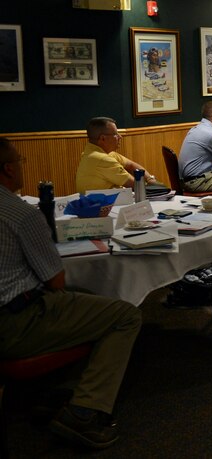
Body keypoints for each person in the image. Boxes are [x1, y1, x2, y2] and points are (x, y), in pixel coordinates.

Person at [0, 138, 142, 449]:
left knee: (84, 299)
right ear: (9, 170)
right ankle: (84, 412)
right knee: (125, 315)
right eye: (21, 161)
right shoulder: (20, 214)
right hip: (16, 323)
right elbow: (56, 282)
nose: (23, 166)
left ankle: (54, 391)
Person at [75, 117, 159, 194]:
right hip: (103, 207)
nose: (120, 137)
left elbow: (131, 165)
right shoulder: (102, 159)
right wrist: (156, 186)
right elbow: (136, 185)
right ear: (103, 138)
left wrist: (150, 179)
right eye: (115, 134)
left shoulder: (94, 152)